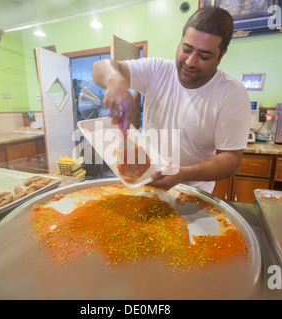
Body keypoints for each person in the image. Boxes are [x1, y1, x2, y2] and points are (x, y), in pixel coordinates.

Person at [91, 6, 251, 193]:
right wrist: (115, 81)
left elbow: (231, 160)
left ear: (221, 55)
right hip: (147, 182)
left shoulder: (232, 94)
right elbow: (99, 67)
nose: (190, 62)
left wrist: (183, 173)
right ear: (180, 42)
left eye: (204, 56)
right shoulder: (156, 70)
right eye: (187, 49)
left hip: (192, 193)